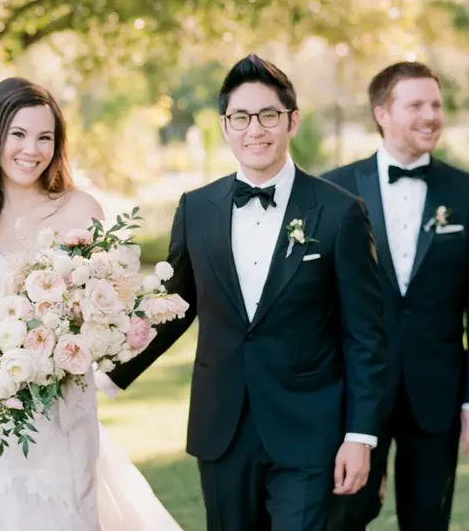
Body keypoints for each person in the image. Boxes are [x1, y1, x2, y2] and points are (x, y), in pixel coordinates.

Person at [107, 54, 389, 531]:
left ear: (291, 121)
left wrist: (360, 435)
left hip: (309, 429)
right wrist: (106, 373)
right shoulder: (196, 208)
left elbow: (366, 335)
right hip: (223, 428)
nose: (254, 129)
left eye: (268, 116)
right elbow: (172, 307)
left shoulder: (340, 213)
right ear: (225, 125)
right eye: (240, 117)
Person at [0, 76, 182, 530]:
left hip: (64, 402)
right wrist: (7, 362)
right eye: (18, 135)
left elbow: (107, 307)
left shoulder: (80, 209)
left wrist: (59, 351)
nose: (32, 149)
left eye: (45, 137)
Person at [323, 61, 469, 530]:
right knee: (344, 515)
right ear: (382, 113)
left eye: (436, 105)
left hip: (436, 390)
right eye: (416, 104)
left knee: (428, 520)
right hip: (354, 391)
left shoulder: (466, 192)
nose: (431, 115)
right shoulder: (334, 188)